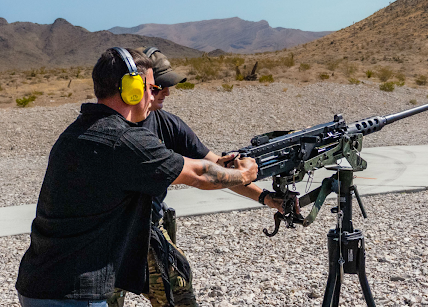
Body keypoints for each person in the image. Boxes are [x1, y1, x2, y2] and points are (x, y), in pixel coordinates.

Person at [15, 47, 260, 307]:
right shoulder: (125, 140)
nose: (156, 93)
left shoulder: (74, 133)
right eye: (152, 87)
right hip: (75, 295)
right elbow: (200, 174)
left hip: (36, 284)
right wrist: (244, 173)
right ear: (132, 88)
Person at [108, 47, 291, 307]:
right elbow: (201, 176)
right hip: (109, 236)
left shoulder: (168, 125)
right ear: (137, 87)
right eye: (159, 87)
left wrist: (267, 197)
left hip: (150, 231)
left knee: (180, 291)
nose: (166, 93)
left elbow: (219, 171)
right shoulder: (112, 130)